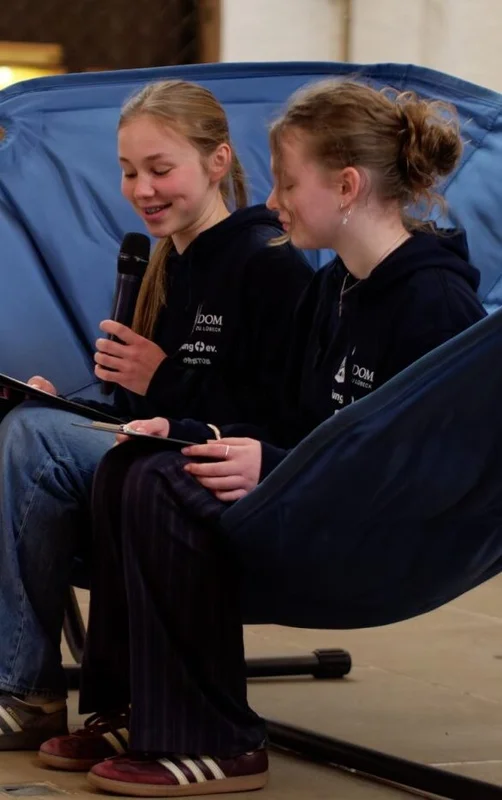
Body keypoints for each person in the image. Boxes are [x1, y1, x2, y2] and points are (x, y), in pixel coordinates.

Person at [40, 80, 486, 796]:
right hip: (313, 504)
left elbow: (435, 472)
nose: (271, 201)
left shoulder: (435, 303)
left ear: (345, 186)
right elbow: (287, 422)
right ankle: (144, 712)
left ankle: (215, 740)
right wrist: (187, 428)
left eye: (285, 183)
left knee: (160, 484)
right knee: (138, 463)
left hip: (385, 540)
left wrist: (275, 467)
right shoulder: (331, 290)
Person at [0, 79, 312, 751]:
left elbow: (278, 418)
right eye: (129, 172)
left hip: (227, 477)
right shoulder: (163, 266)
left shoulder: (268, 265)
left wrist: (160, 376)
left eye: (160, 169)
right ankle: (38, 685)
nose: (143, 189)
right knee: (26, 425)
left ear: (217, 162)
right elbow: (141, 413)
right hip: (148, 460)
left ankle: (23, 688)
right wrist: (66, 405)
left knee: (35, 440)